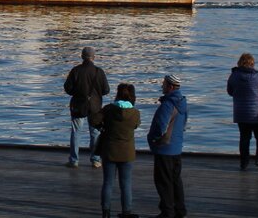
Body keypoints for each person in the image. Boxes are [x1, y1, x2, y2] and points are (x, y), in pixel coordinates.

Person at [96, 82, 140, 218]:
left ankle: (106, 212)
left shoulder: (108, 109)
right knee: (126, 184)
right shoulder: (135, 113)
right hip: (127, 152)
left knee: (108, 182)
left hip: (109, 150)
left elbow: (93, 119)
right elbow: (136, 126)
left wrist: (102, 127)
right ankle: (126, 212)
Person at [148, 73, 188, 218]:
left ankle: (167, 211)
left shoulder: (168, 104)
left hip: (164, 148)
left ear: (170, 87)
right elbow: (183, 124)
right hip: (176, 147)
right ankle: (180, 209)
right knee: (175, 180)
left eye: (164, 83)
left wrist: (154, 140)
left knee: (163, 182)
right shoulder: (182, 102)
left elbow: (160, 126)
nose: (162, 86)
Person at [64, 46, 109, 168]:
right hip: (95, 107)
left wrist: (78, 93)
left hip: (79, 106)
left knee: (76, 132)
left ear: (82, 57)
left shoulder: (76, 71)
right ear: (94, 57)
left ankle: (74, 160)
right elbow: (106, 90)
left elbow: (67, 88)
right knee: (95, 133)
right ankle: (95, 159)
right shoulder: (99, 72)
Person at [226, 52, 258, 172]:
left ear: (240, 62)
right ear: (252, 63)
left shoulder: (234, 76)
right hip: (257, 113)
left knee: (244, 138)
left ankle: (244, 163)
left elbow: (230, 91)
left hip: (241, 113)